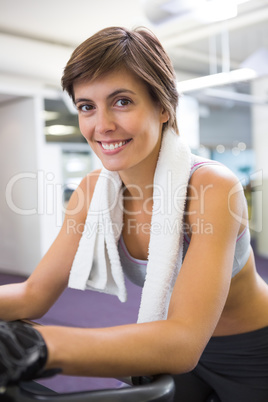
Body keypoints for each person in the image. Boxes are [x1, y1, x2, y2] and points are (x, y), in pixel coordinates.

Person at [1, 26, 268, 402]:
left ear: (163, 108)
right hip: (166, 336)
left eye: (122, 101)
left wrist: (36, 345)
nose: (102, 124)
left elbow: (184, 342)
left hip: (250, 348)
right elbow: (33, 294)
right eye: (86, 106)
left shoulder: (210, 186)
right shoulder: (93, 191)